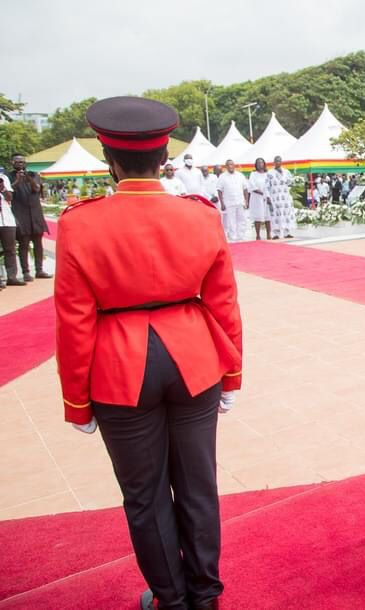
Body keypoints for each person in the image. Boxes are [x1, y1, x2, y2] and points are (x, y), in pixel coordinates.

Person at [57, 96, 242, 610]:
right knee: (199, 485)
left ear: (107, 158)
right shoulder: (200, 216)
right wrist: (231, 374)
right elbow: (224, 301)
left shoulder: (79, 222)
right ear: (164, 157)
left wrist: (77, 401)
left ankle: (171, 600)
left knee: (145, 496)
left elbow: (74, 318)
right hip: (194, 357)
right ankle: (205, 595)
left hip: (119, 366)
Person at [7, 153, 51, 280]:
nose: (20, 164)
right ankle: (26, 272)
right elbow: (9, 191)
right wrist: (18, 180)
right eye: (17, 162)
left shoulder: (33, 174)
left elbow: (37, 188)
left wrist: (28, 178)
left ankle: (39, 270)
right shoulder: (8, 177)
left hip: (35, 213)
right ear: (12, 163)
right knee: (24, 243)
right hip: (20, 213)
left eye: (22, 162)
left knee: (38, 243)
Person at [216, 160, 248, 242]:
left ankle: (241, 236)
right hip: (229, 202)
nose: (230, 166)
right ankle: (233, 237)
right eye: (228, 165)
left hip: (240, 201)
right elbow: (219, 190)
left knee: (242, 219)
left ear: (234, 165)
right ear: (226, 166)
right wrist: (222, 203)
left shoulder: (240, 175)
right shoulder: (222, 177)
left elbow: (245, 189)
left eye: (232, 164)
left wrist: (246, 201)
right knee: (231, 220)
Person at [0, 172, 22, 287]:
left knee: (10, 250)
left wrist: (3, 188)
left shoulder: (3, 178)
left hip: (7, 220)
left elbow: (10, 197)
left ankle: (12, 277)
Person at [266, 156, 295, 239]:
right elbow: (266, 186)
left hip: (285, 196)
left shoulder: (286, 172)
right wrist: (267, 197)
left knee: (287, 213)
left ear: (281, 162)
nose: (278, 162)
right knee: (275, 214)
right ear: (274, 162)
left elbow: (290, 182)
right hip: (275, 197)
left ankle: (287, 232)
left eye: (279, 161)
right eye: (276, 161)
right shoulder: (270, 173)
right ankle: (276, 233)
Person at [246, 158, 271, 240]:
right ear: (256, 165)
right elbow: (251, 185)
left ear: (264, 164)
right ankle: (258, 235)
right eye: (258, 163)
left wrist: (267, 195)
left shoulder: (268, 174)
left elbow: (270, 185)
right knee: (258, 216)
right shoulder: (253, 174)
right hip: (257, 198)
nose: (260, 164)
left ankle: (269, 234)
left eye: (261, 163)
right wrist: (261, 192)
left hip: (267, 197)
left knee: (268, 216)